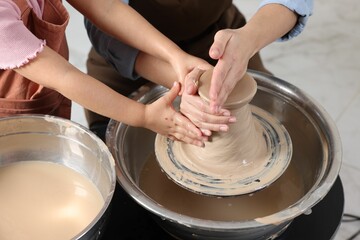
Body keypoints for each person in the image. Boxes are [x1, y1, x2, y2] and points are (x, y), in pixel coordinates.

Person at [0, 0, 237, 147]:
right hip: (10, 108)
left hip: (43, 87)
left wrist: (175, 56)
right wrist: (143, 115)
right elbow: (64, 77)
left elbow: (106, 7)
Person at [83, 0, 313, 140]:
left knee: (278, 121)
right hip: (128, 61)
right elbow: (103, 12)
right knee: (111, 155)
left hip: (221, 41)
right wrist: (186, 80)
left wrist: (249, 39)